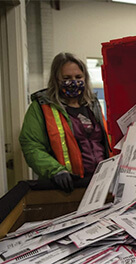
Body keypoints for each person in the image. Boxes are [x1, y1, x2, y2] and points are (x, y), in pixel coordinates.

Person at [19, 52, 111, 192]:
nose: (74, 82)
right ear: (56, 79)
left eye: (78, 77)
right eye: (67, 78)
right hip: (65, 187)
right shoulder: (42, 107)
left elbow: (104, 142)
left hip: (99, 184)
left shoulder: (92, 105)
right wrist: (55, 171)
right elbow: (31, 145)